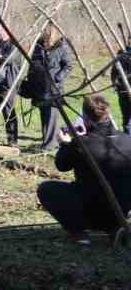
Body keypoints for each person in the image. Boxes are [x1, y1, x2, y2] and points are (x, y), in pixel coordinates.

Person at [36, 94, 131, 243]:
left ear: (85, 118)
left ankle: (78, 233)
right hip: (121, 209)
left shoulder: (81, 145)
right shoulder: (127, 140)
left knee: (46, 189)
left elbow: (61, 166)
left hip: (91, 210)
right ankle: (114, 228)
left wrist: (65, 144)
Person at [22, 25, 74, 151]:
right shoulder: (37, 47)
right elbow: (32, 64)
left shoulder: (62, 48)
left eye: (48, 40)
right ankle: (46, 141)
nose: (46, 42)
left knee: (51, 115)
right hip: (40, 87)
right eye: (45, 39)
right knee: (44, 115)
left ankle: (50, 145)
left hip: (54, 89)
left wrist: (57, 77)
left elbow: (68, 66)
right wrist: (31, 79)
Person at [113, 39, 131, 133]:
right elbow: (114, 71)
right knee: (126, 118)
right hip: (124, 91)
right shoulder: (121, 54)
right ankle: (127, 139)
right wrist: (115, 83)